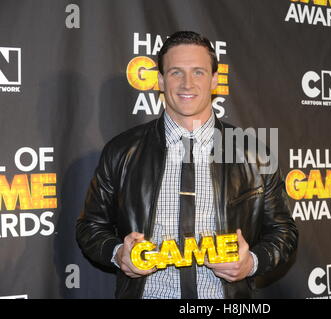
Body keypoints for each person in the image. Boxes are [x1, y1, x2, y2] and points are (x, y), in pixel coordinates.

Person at [76, 31, 298, 299]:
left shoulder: (253, 153)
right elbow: (90, 226)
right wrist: (118, 254)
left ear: (215, 80)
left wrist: (252, 261)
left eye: (199, 72)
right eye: (176, 72)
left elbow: (284, 231)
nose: (187, 84)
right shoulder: (121, 151)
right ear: (159, 80)